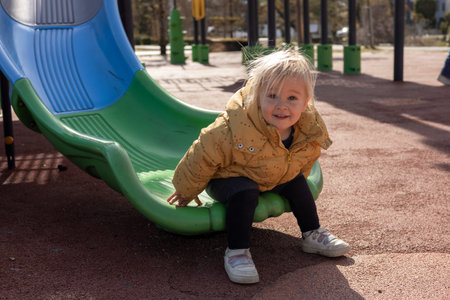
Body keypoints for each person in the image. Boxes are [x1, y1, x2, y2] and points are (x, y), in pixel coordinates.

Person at [167, 49, 350, 284]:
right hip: (226, 178)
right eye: (272, 96)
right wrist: (186, 189)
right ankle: (237, 251)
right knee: (245, 190)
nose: (281, 106)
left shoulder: (307, 128)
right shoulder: (234, 126)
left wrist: (295, 183)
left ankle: (311, 233)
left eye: (292, 98)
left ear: (305, 103)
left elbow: (304, 158)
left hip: (268, 175)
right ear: (257, 96)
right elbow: (203, 153)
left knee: (295, 181)